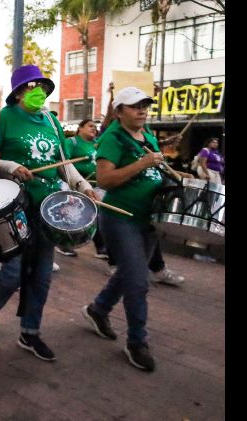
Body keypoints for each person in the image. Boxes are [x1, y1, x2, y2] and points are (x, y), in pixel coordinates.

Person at [0, 65, 96, 362]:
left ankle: (30, 331)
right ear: (19, 91)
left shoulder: (50, 121)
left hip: (47, 207)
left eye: (44, 87)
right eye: (34, 87)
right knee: (14, 271)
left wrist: (82, 186)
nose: (40, 92)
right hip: (15, 205)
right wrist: (9, 167)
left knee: (43, 274)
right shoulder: (2, 119)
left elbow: (62, 162)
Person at [80, 86, 192, 372]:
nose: (142, 110)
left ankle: (98, 309)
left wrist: (179, 178)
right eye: (134, 106)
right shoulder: (112, 138)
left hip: (149, 218)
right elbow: (104, 180)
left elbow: (157, 170)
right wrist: (142, 163)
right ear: (119, 111)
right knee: (138, 281)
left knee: (131, 273)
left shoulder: (149, 135)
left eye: (144, 105)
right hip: (121, 218)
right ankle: (137, 342)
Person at [64, 119, 109, 259]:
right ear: (80, 128)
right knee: (72, 216)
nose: (94, 129)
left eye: (95, 127)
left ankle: (101, 246)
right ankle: (65, 243)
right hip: (77, 185)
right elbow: (64, 162)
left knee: (98, 213)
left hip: (95, 185)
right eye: (90, 126)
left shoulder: (96, 145)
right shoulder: (72, 142)